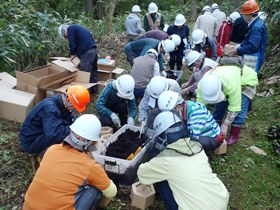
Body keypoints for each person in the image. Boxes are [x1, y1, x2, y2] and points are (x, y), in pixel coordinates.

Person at [137, 111, 229, 210]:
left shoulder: (165, 161)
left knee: (161, 181)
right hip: (220, 199)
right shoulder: (196, 147)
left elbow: (142, 175)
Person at [23, 114, 117, 210]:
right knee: (96, 187)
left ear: (71, 131)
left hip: (28, 207)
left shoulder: (52, 149)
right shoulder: (91, 166)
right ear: (93, 142)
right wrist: (98, 154)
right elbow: (112, 192)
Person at [19, 85, 90, 156]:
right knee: (65, 138)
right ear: (68, 100)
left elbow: (70, 116)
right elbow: (54, 134)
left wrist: (78, 123)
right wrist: (74, 129)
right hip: (31, 142)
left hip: (43, 132)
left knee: (68, 131)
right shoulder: (51, 110)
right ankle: (45, 155)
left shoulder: (62, 101)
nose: (75, 109)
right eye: (75, 107)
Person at [196, 64, 258, 145]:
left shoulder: (231, 85)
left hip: (246, 81)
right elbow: (200, 106)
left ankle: (234, 135)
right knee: (220, 106)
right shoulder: (202, 84)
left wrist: (225, 124)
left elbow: (235, 107)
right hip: (228, 79)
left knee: (241, 109)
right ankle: (215, 128)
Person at [158, 91, 223, 151]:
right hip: (199, 132)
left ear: (177, 106)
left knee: (189, 144)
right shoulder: (185, 106)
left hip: (213, 138)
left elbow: (193, 139)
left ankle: (199, 158)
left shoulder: (196, 113)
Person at [58, 24, 98, 93]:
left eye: (65, 36)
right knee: (93, 72)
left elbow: (72, 44)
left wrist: (72, 53)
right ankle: (94, 90)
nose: (67, 37)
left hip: (87, 52)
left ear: (64, 31)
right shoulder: (77, 28)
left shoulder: (70, 29)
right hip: (93, 50)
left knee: (84, 74)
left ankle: (84, 93)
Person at [229, 0, 268, 73]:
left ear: (250, 14)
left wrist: (237, 50)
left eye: (244, 14)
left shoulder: (256, 27)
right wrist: (240, 45)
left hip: (253, 58)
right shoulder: (256, 24)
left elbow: (253, 47)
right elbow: (250, 41)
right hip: (253, 56)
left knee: (249, 78)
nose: (243, 16)